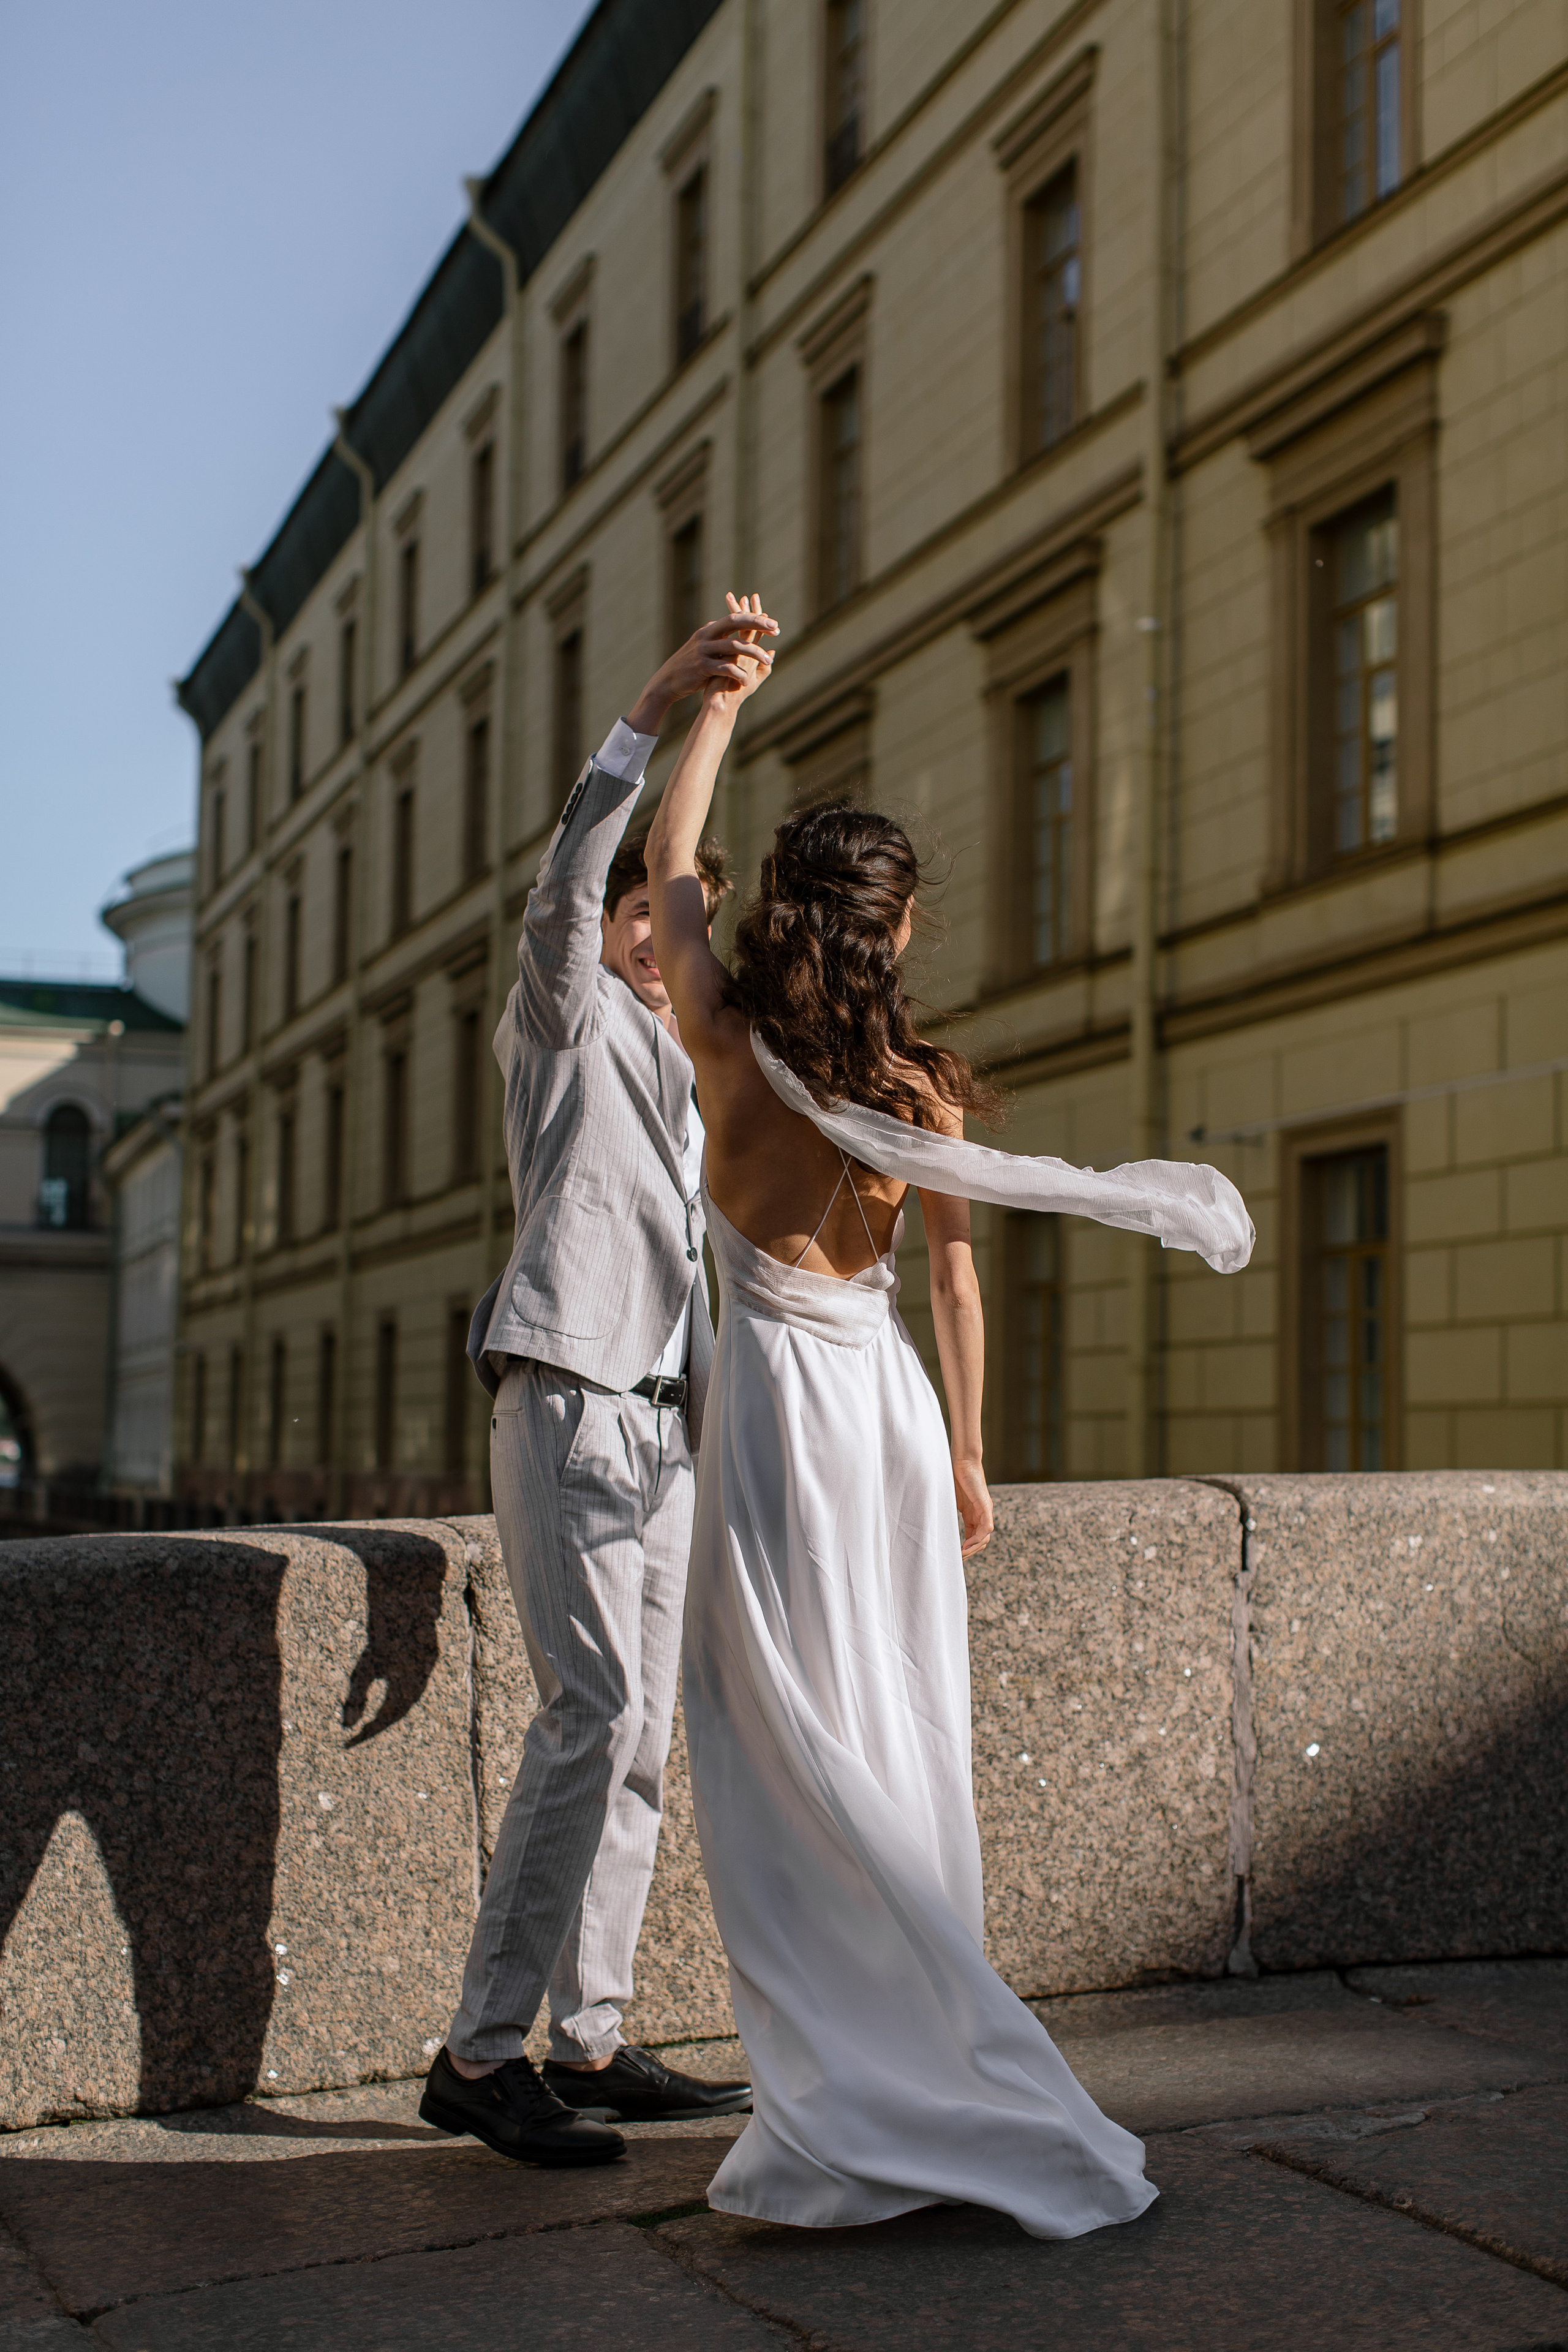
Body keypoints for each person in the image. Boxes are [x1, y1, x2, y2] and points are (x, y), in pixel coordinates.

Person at [643, 594, 1254, 2236]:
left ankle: (840, 2095)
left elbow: (668, 867)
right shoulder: (919, 1097)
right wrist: (972, 1455)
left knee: (783, 1740)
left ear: (784, 916)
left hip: (773, 1411)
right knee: (904, 1723)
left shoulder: (720, 1040)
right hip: (891, 1415)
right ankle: (936, 2047)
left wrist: (717, 699)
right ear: (898, 933)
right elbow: (961, 1288)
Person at [420, 613, 778, 2168]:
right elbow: (573, 879)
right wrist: (654, 707)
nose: (652, 936)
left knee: (639, 1736)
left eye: (666, 920)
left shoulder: (687, 1066)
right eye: (637, 915)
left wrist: (725, 715)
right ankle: (477, 2052)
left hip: (660, 1421)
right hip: (566, 1387)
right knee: (587, 1715)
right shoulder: (560, 1022)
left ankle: (590, 2035)